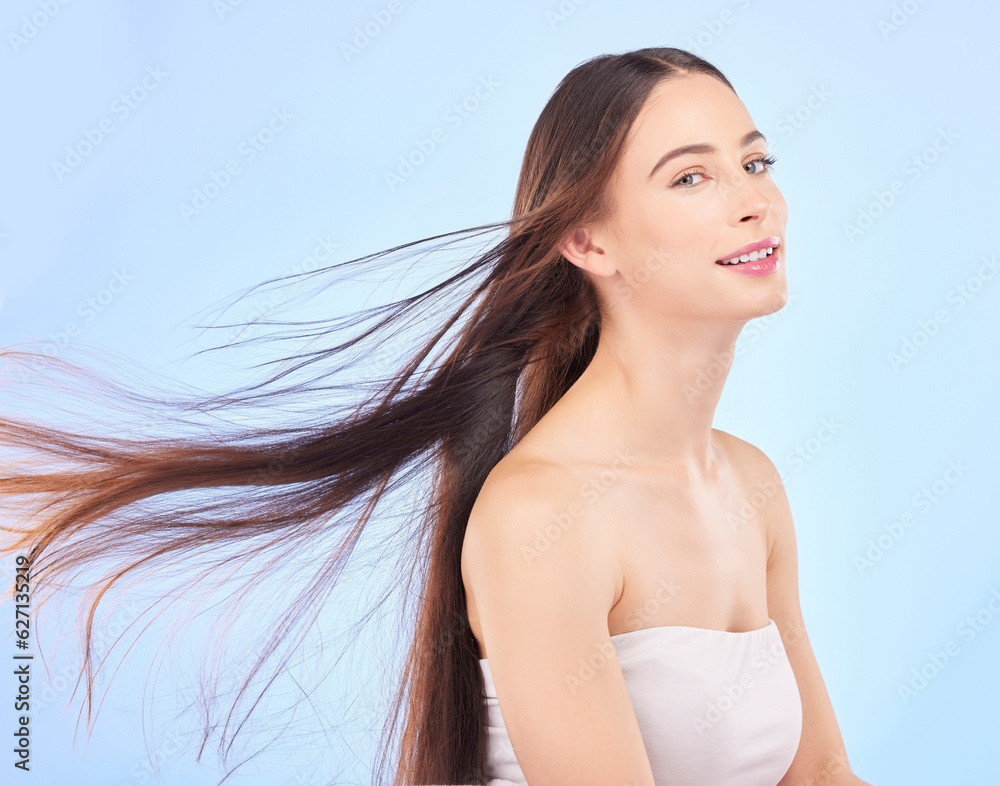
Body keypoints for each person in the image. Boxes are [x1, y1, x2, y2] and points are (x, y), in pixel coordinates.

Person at [0, 47, 872, 785]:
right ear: (588, 242)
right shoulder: (544, 516)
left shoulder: (750, 486)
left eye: (755, 163)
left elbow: (824, 777)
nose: (754, 199)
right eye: (691, 176)